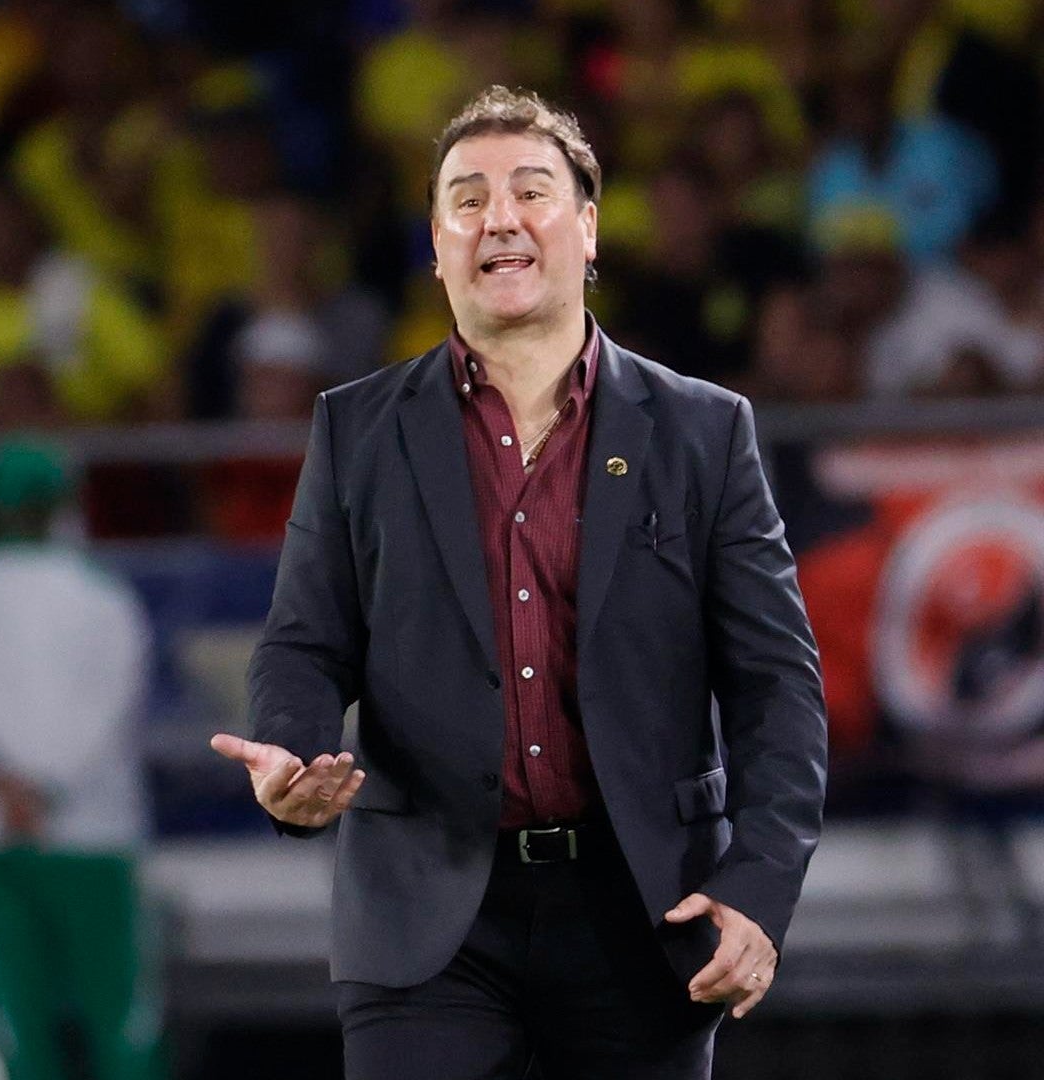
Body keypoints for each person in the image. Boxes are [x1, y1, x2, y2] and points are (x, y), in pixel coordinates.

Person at [211, 86, 828, 1079]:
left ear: (587, 230)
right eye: (468, 199)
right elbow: (304, 644)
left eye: (531, 191)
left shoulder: (706, 432)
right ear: (438, 244)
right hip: (422, 925)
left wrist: (758, 885)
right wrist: (292, 762)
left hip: (646, 919)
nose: (498, 216)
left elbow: (778, 688)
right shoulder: (356, 428)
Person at [0, 441, 163, 1080]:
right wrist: (45, 790)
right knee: (120, 1022)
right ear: (63, 504)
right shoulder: (101, 594)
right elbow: (114, 706)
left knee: (16, 1023)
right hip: (90, 833)